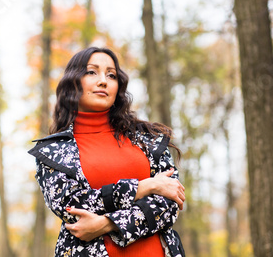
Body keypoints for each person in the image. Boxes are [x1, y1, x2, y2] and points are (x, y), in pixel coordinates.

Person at [28, 47, 186, 257]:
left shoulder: (148, 139)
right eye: (92, 72)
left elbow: (169, 202)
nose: (103, 80)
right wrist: (146, 186)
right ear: (73, 82)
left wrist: (107, 224)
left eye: (111, 75)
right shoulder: (53, 152)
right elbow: (74, 207)